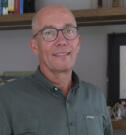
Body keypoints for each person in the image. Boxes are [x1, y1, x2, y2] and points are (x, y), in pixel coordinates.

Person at [0, 5, 113, 135]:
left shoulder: (96, 97)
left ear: (78, 43)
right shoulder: (5, 99)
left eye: (69, 31)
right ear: (34, 46)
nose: (62, 41)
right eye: (49, 32)